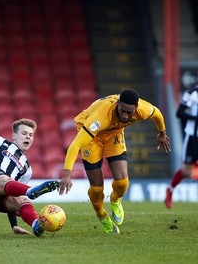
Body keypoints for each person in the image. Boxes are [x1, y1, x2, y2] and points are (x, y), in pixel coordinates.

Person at [58, 89, 171, 234]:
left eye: (129, 113)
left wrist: (162, 133)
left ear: (136, 108)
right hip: (92, 136)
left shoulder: (143, 109)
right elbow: (75, 145)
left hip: (113, 133)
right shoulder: (100, 117)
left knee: (123, 182)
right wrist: (67, 175)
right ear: (117, 104)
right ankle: (101, 214)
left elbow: (157, 114)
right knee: (97, 188)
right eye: (122, 111)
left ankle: (115, 199)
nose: (125, 115)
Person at [165, 85, 198, 209]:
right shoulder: (192, 94)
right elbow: (179, 113)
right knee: (187, 171)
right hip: (192, 137)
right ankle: (170, 189)